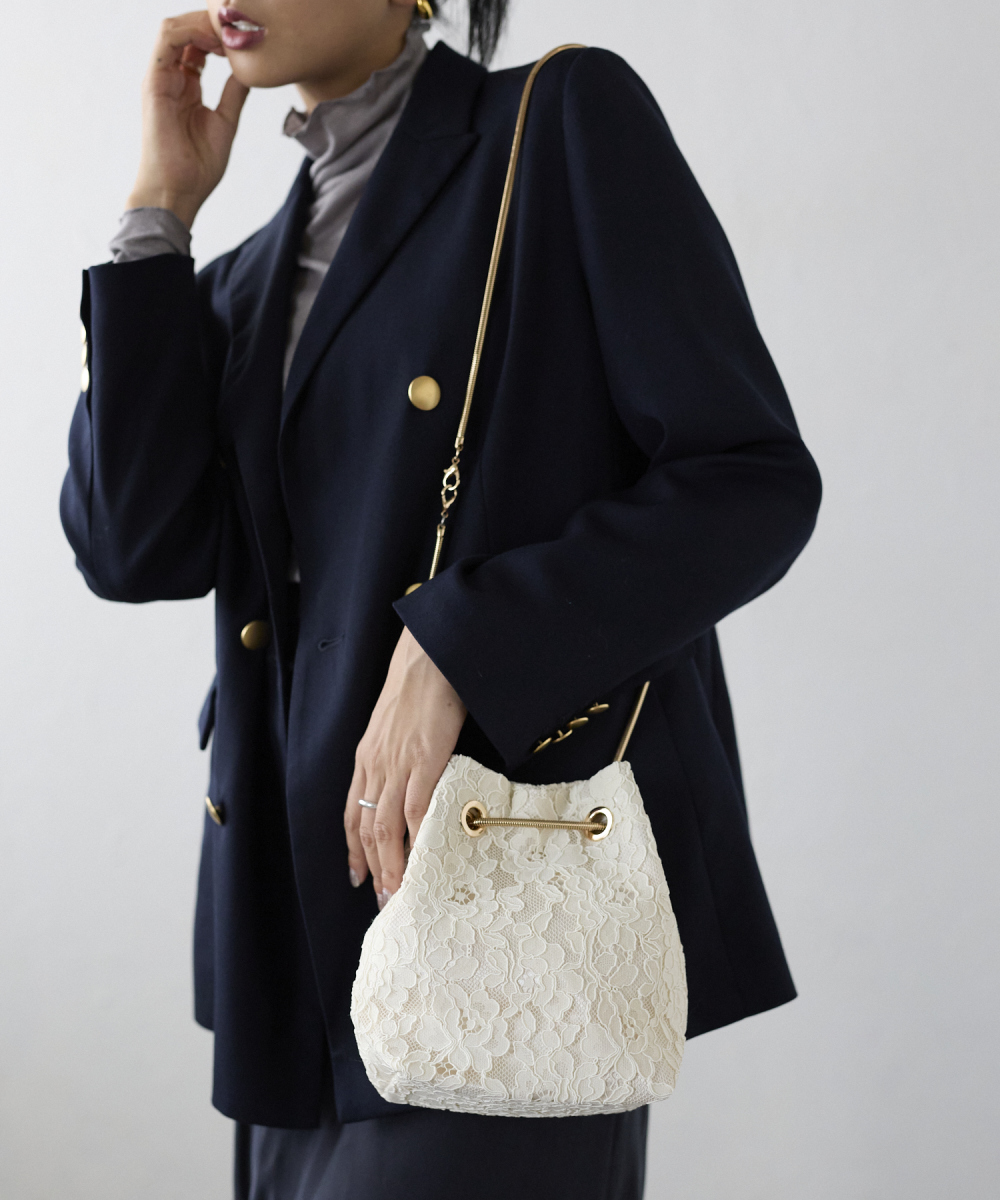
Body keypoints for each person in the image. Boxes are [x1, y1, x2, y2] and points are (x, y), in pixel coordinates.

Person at [60, 1, 822, 1196]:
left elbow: (749, 481)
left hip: (501, 913)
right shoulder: (247, 278)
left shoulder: (556, 128)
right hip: (293, 956)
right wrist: (159, 214)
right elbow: (130, 547)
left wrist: (459, 646)